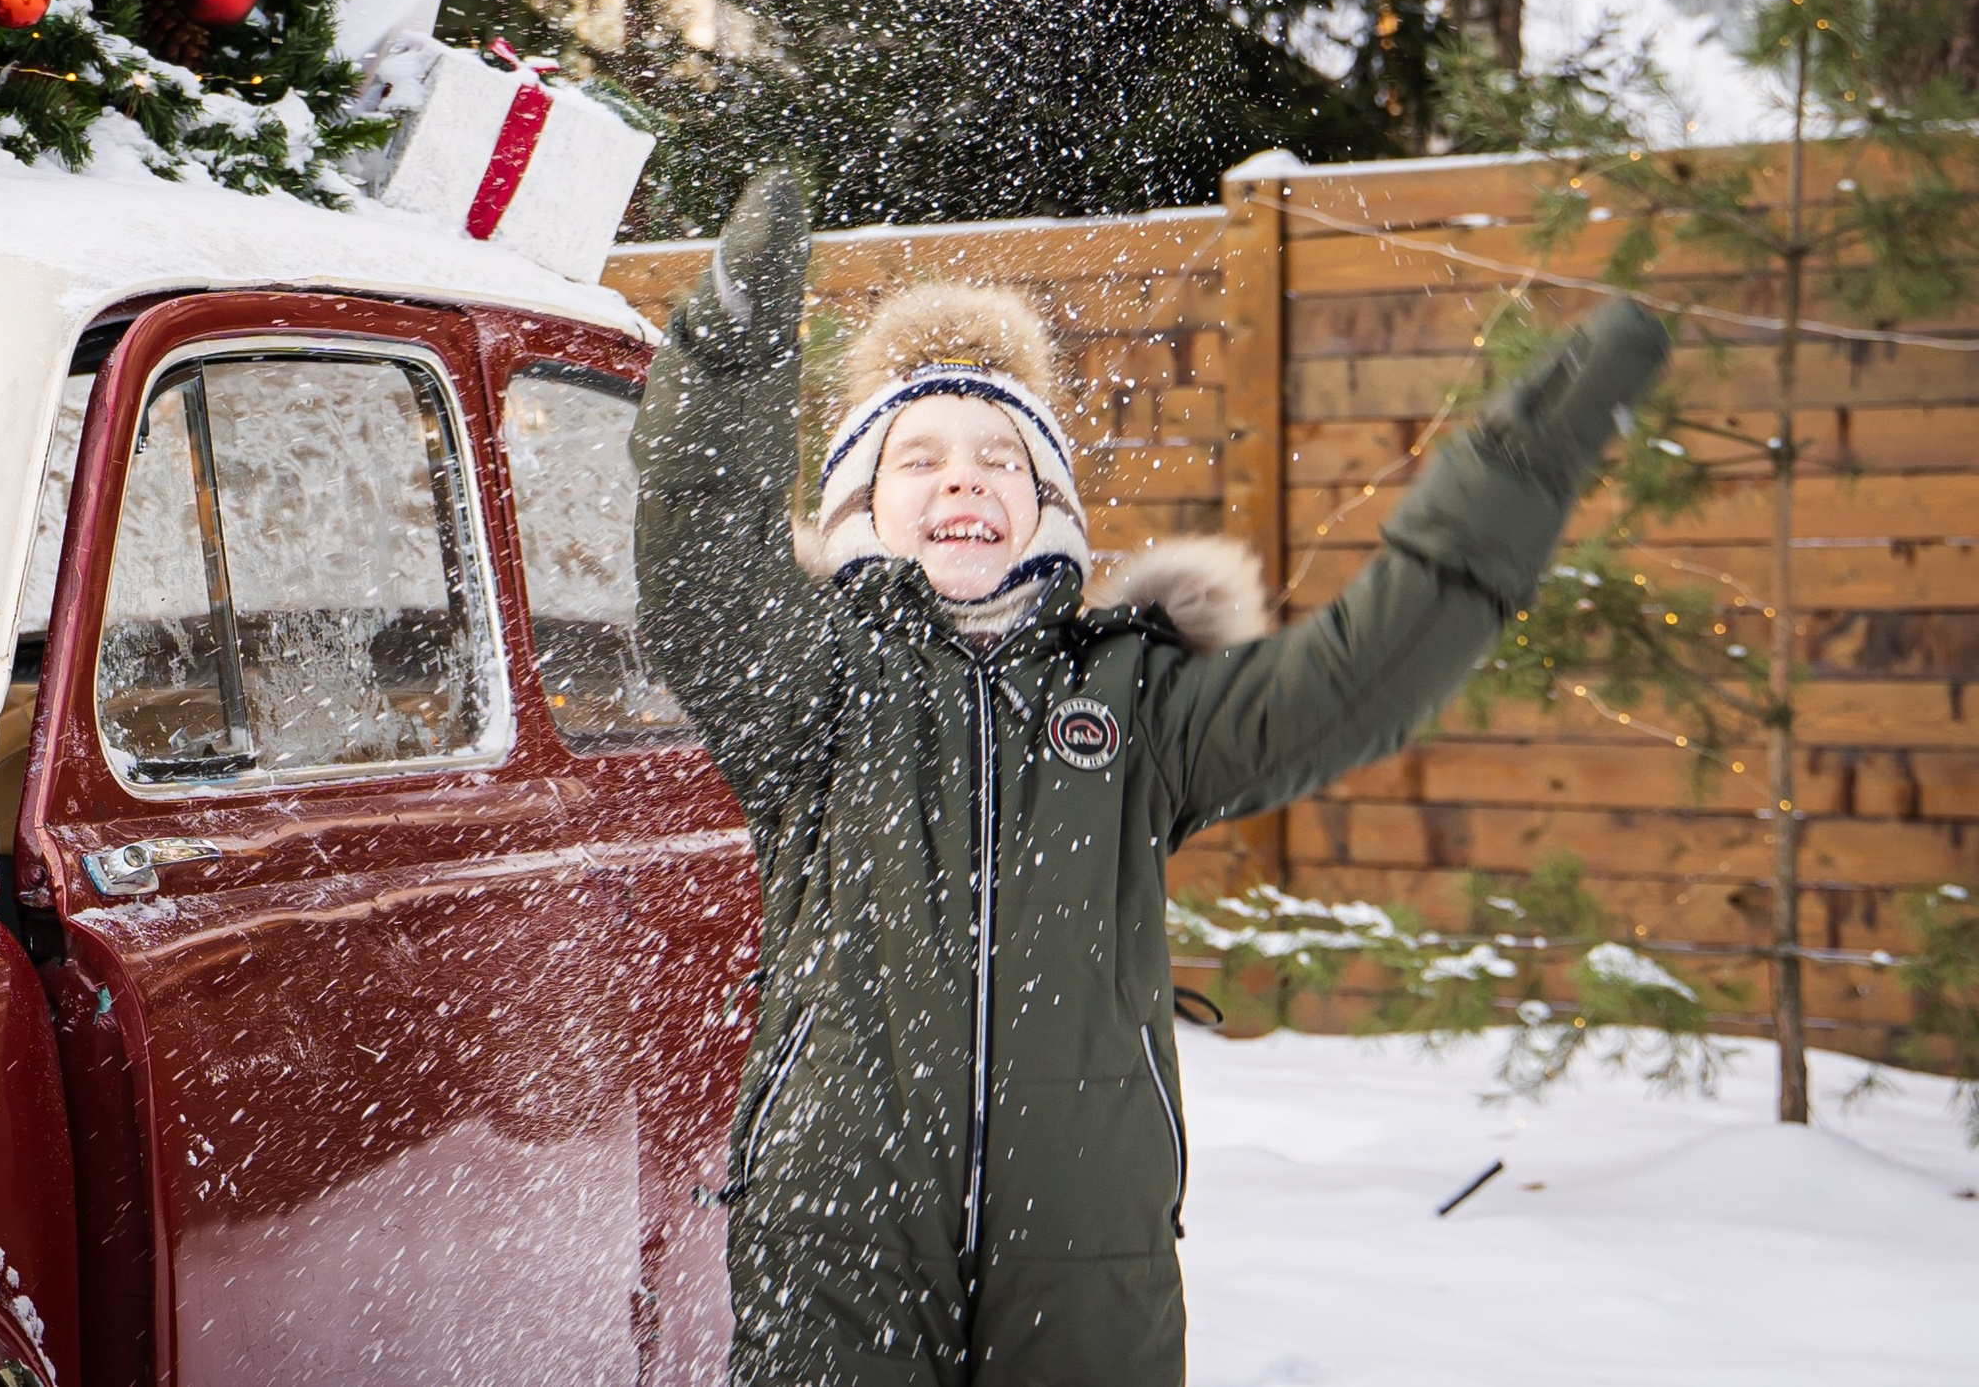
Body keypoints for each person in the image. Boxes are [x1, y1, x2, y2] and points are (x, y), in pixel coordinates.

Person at [630, 167, 1672, 1387]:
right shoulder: (806, 691)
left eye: (1000, 456)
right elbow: (700, 546)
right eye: (919, 456)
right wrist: (728, 351)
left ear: (1050, 507)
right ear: (859, 502)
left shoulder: (1133, 702)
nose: (963, 477)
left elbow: (1358, 678)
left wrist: (1517, 471)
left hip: (1091, 1246)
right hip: (832, 1229)